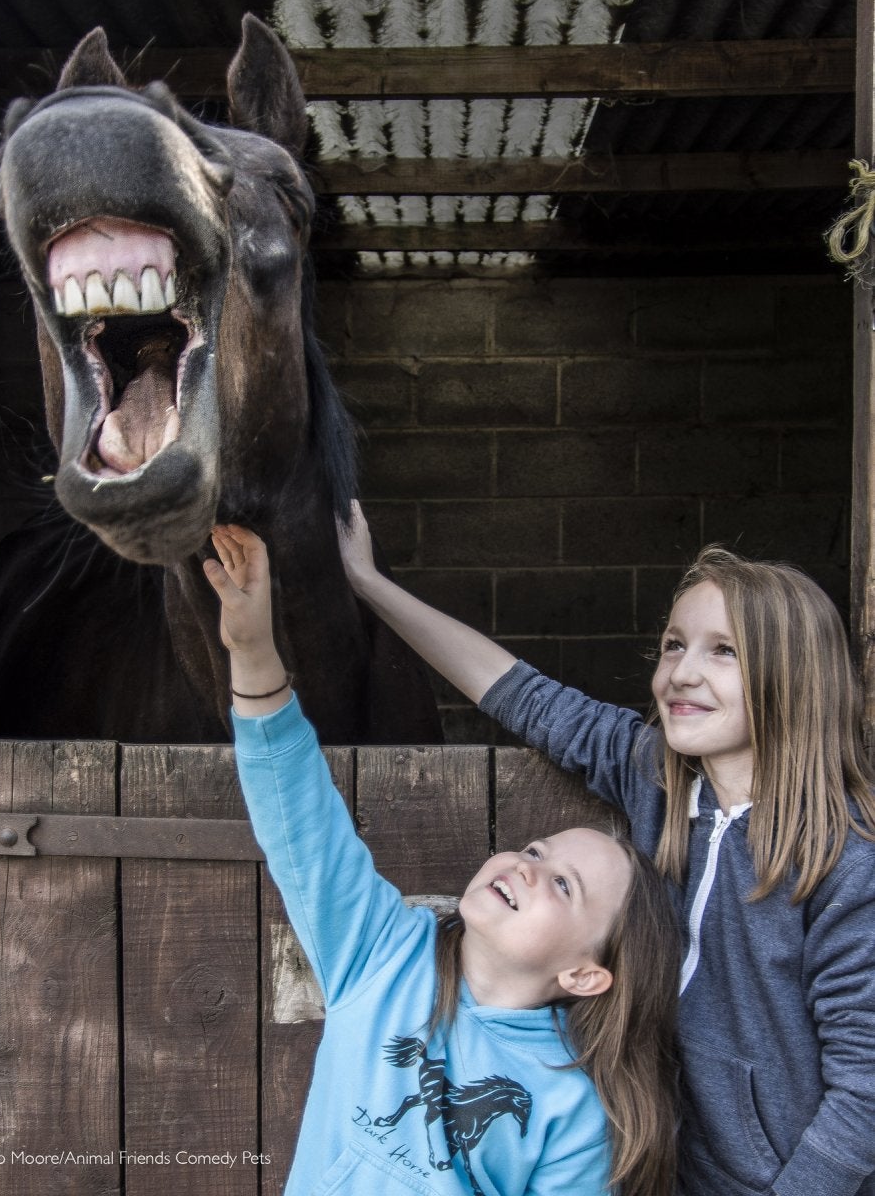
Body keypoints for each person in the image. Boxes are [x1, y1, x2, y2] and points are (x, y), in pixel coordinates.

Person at [336, 500, 875, 1196]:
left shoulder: (844, 860)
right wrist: (369, 584)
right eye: (675, 644)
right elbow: (514, 691)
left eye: (723, 651)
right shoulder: (653, 774)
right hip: (645, 1174)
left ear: (797, 678)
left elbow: (865, 1086)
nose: (681, 671)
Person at [203, 523, 681, 1196]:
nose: (526, 865)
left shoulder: (576, 1111)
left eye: (564, 885)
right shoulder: (381, 954)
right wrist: (252, 650)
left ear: (584, 975)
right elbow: (300, 825)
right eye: (536, 851)